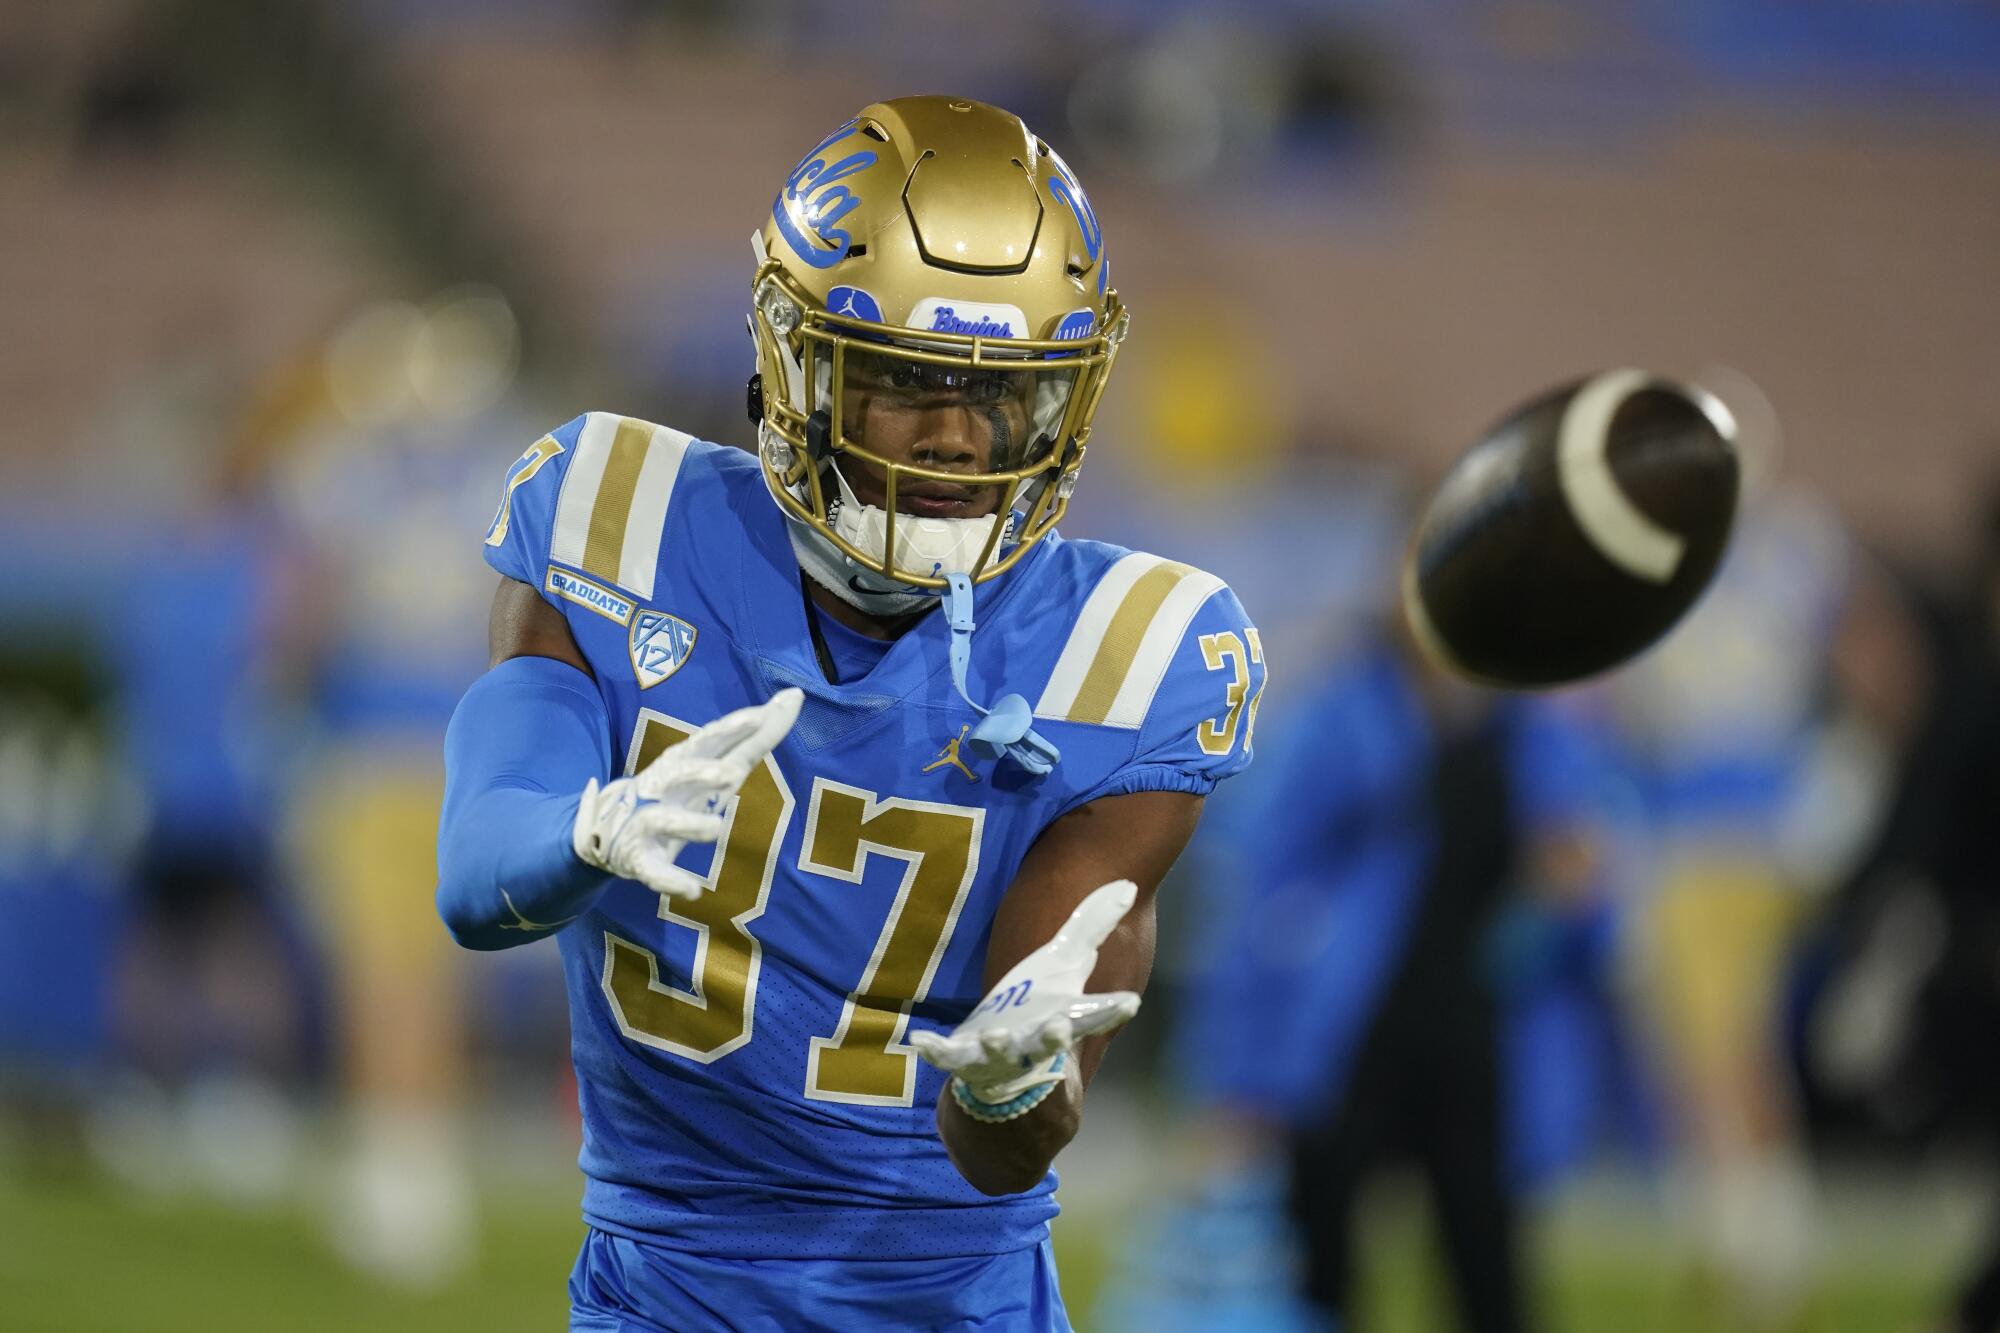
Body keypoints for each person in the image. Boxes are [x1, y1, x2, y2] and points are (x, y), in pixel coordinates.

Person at [434, 96, 1267, 1331]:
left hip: (955, 1303)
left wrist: (1006, 1087)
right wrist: (586, 834)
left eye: (1000, 398)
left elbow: (1007, 1150)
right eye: (905, 384)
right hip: (664, 1290)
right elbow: (473, 872)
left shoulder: (1133, 655)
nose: (952, 440)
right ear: (793, 365)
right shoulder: (617, 518)